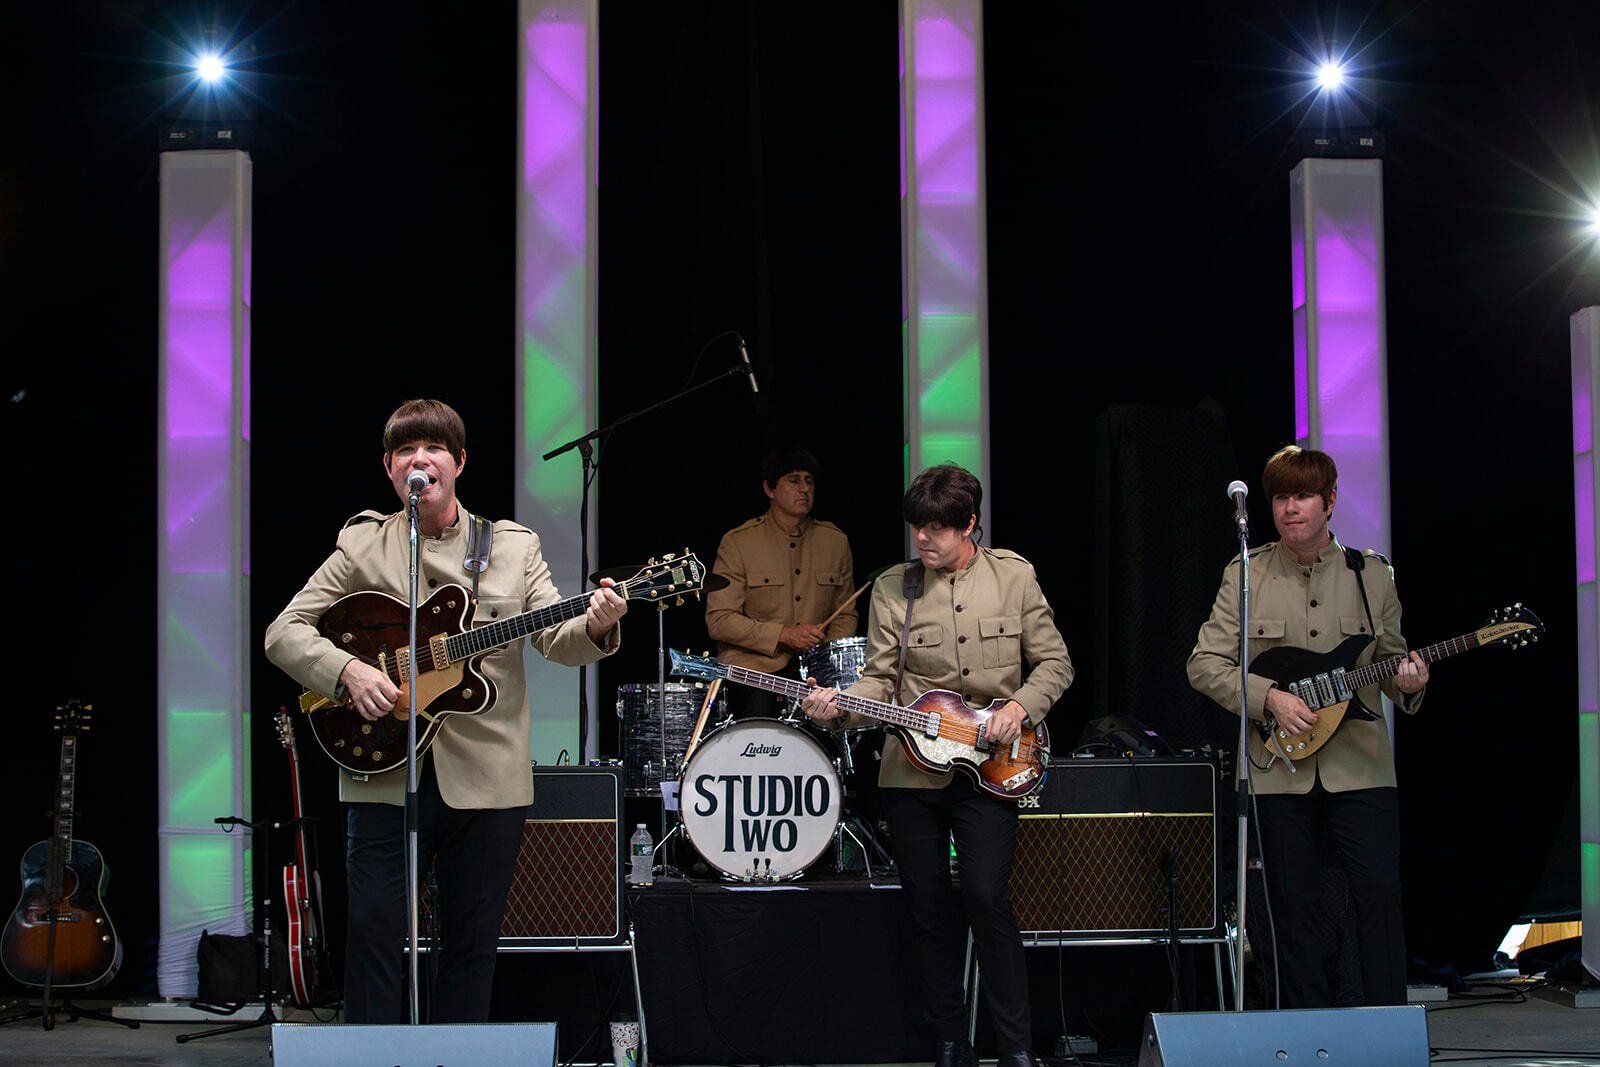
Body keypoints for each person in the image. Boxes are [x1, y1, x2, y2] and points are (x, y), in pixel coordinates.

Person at [264, 399, 627, 1023]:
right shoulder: (361, 545)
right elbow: (283, 631)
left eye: (433, 449)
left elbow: (555, 641)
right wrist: (347, 671)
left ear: (458, 463)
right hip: (381, 771)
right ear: (390, 468)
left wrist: (598, 627)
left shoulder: (512, 548)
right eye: (406, 450)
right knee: (374, 937)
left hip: (486, 776)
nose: (420, 459)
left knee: (470, 944)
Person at [802, 464, 1072, 1067]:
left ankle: (1018, 1046)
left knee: (985, 897)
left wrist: (1021, 709)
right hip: (912, 772)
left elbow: (1056, 664)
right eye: (916, 528)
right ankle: (951, 1040)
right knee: (926, 907)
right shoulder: (896, 587)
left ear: (969, 523)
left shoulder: (1014, 577)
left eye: (936, 530)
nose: (922, 540)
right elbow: (878, 679)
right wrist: (837, 710)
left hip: (993, 767)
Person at [1186, 445, 1427, 1007]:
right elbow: (1203, 664)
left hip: (1360, 765)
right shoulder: (1244, 574)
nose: (1290, 508)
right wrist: (1267, 696)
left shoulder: (1372, 574)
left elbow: (1392, 664)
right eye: (1280, 497)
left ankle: (1387, 1020)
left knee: (1378, 892)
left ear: (1331, 501)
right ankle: (1306, 1029)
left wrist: (1410, 687)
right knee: (1290, 904)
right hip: (1277, 769)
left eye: (1303, 496)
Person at [705, 446, 857, 718]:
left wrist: (823, 656)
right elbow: (719, 620)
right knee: (759, 716)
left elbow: (845, 614)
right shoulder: (739, 542)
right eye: (793, 480)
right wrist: (783, 635)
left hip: (813, 671)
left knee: (842, 716)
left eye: (809, 481)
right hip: (754, 670)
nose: (804, 489)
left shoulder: (835, 541)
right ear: (769, 489)